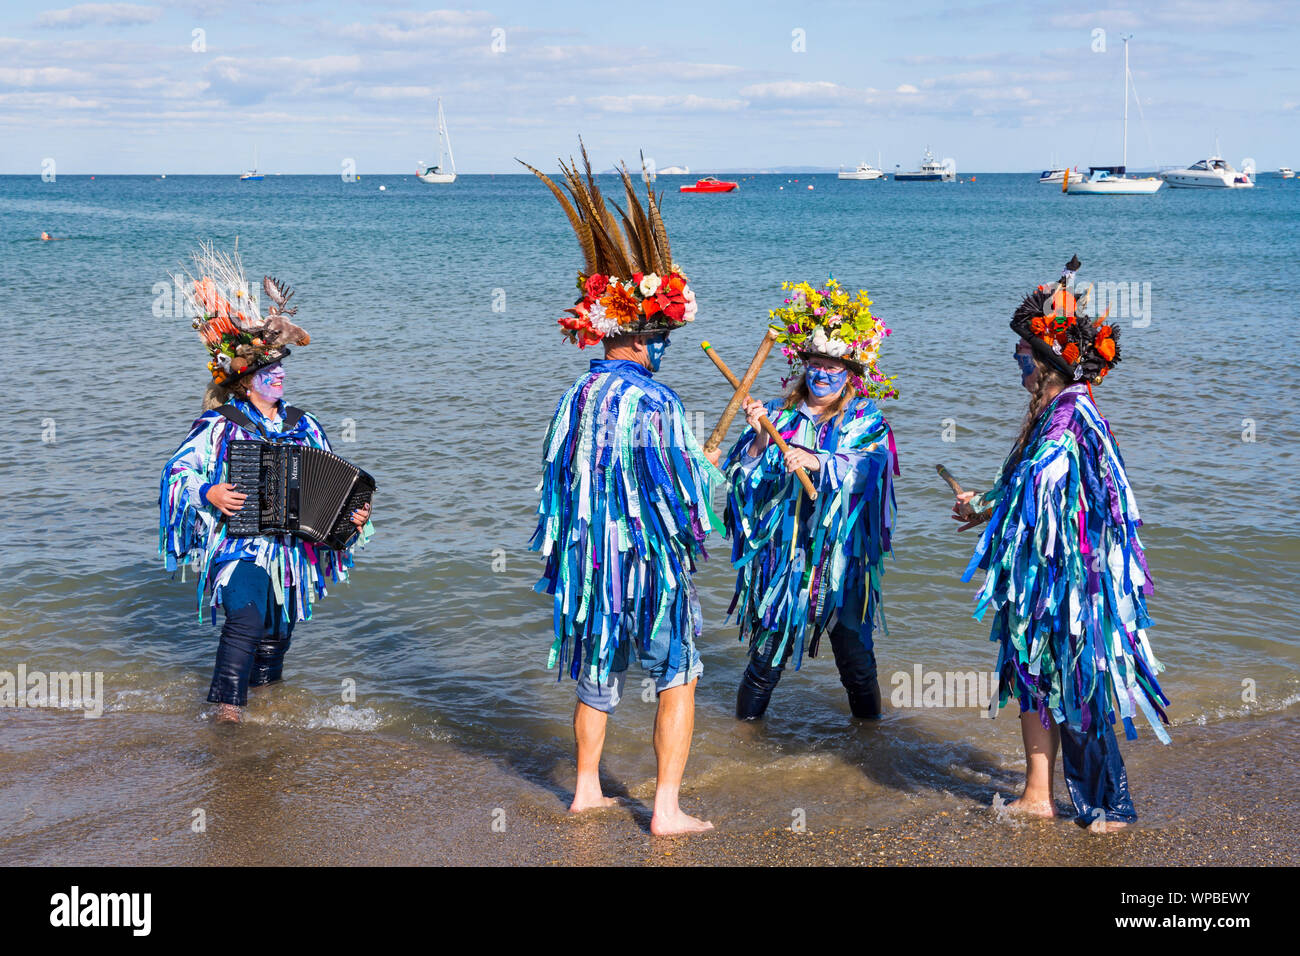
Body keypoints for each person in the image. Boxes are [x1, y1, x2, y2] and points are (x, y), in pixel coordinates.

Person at [524, 146, 723, 835]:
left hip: (590, 562)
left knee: (597, 676)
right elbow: (678, 493)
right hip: (648, 563)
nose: (665, 344)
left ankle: (585, 790)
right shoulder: (656, 399)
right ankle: (665, 809)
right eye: (661, 334)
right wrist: (709, 468)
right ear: (641, 338)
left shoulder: (575, 396)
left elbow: (561, 479)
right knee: (680, 673)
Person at [952, 255, 1169, 832]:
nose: (1017, 365)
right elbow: (1026, 482)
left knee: (1075, 680)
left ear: (1048, 360)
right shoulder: (1054, 409)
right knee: (1034, 674)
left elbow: (1040, 482)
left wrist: (989, 509)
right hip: (1048, 572)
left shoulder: (1069, 416)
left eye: (1023, 356)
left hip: (1072, 577)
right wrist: (983, 508)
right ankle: (1037, 794)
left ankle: (1110, 808)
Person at [159, 243, 372, 724]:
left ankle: (266, 705)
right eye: (268, 371)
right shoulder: (220, 424)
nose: (278, 375)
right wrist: (208, 492)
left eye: (280, 369)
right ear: (245, 383)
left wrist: (355, 516)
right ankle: (228, 711)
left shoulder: (304, 423)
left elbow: (332, 485)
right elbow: (177, 473)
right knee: (247, 617)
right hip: (239, 545)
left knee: (278, 631)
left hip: (292, 550)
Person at [723, 279, 899, 720]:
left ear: (850, 375)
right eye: (815, 366)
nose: (821, 375)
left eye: (832, 368)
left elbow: (870, 468)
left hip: (843, 565)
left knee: (857, 665)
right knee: (764, 661)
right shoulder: (780, 417)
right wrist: (762, 440)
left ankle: (872, 746)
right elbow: (742, 484)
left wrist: (819, 461)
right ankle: (743, 743)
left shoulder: (867, 419)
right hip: (786, 563)